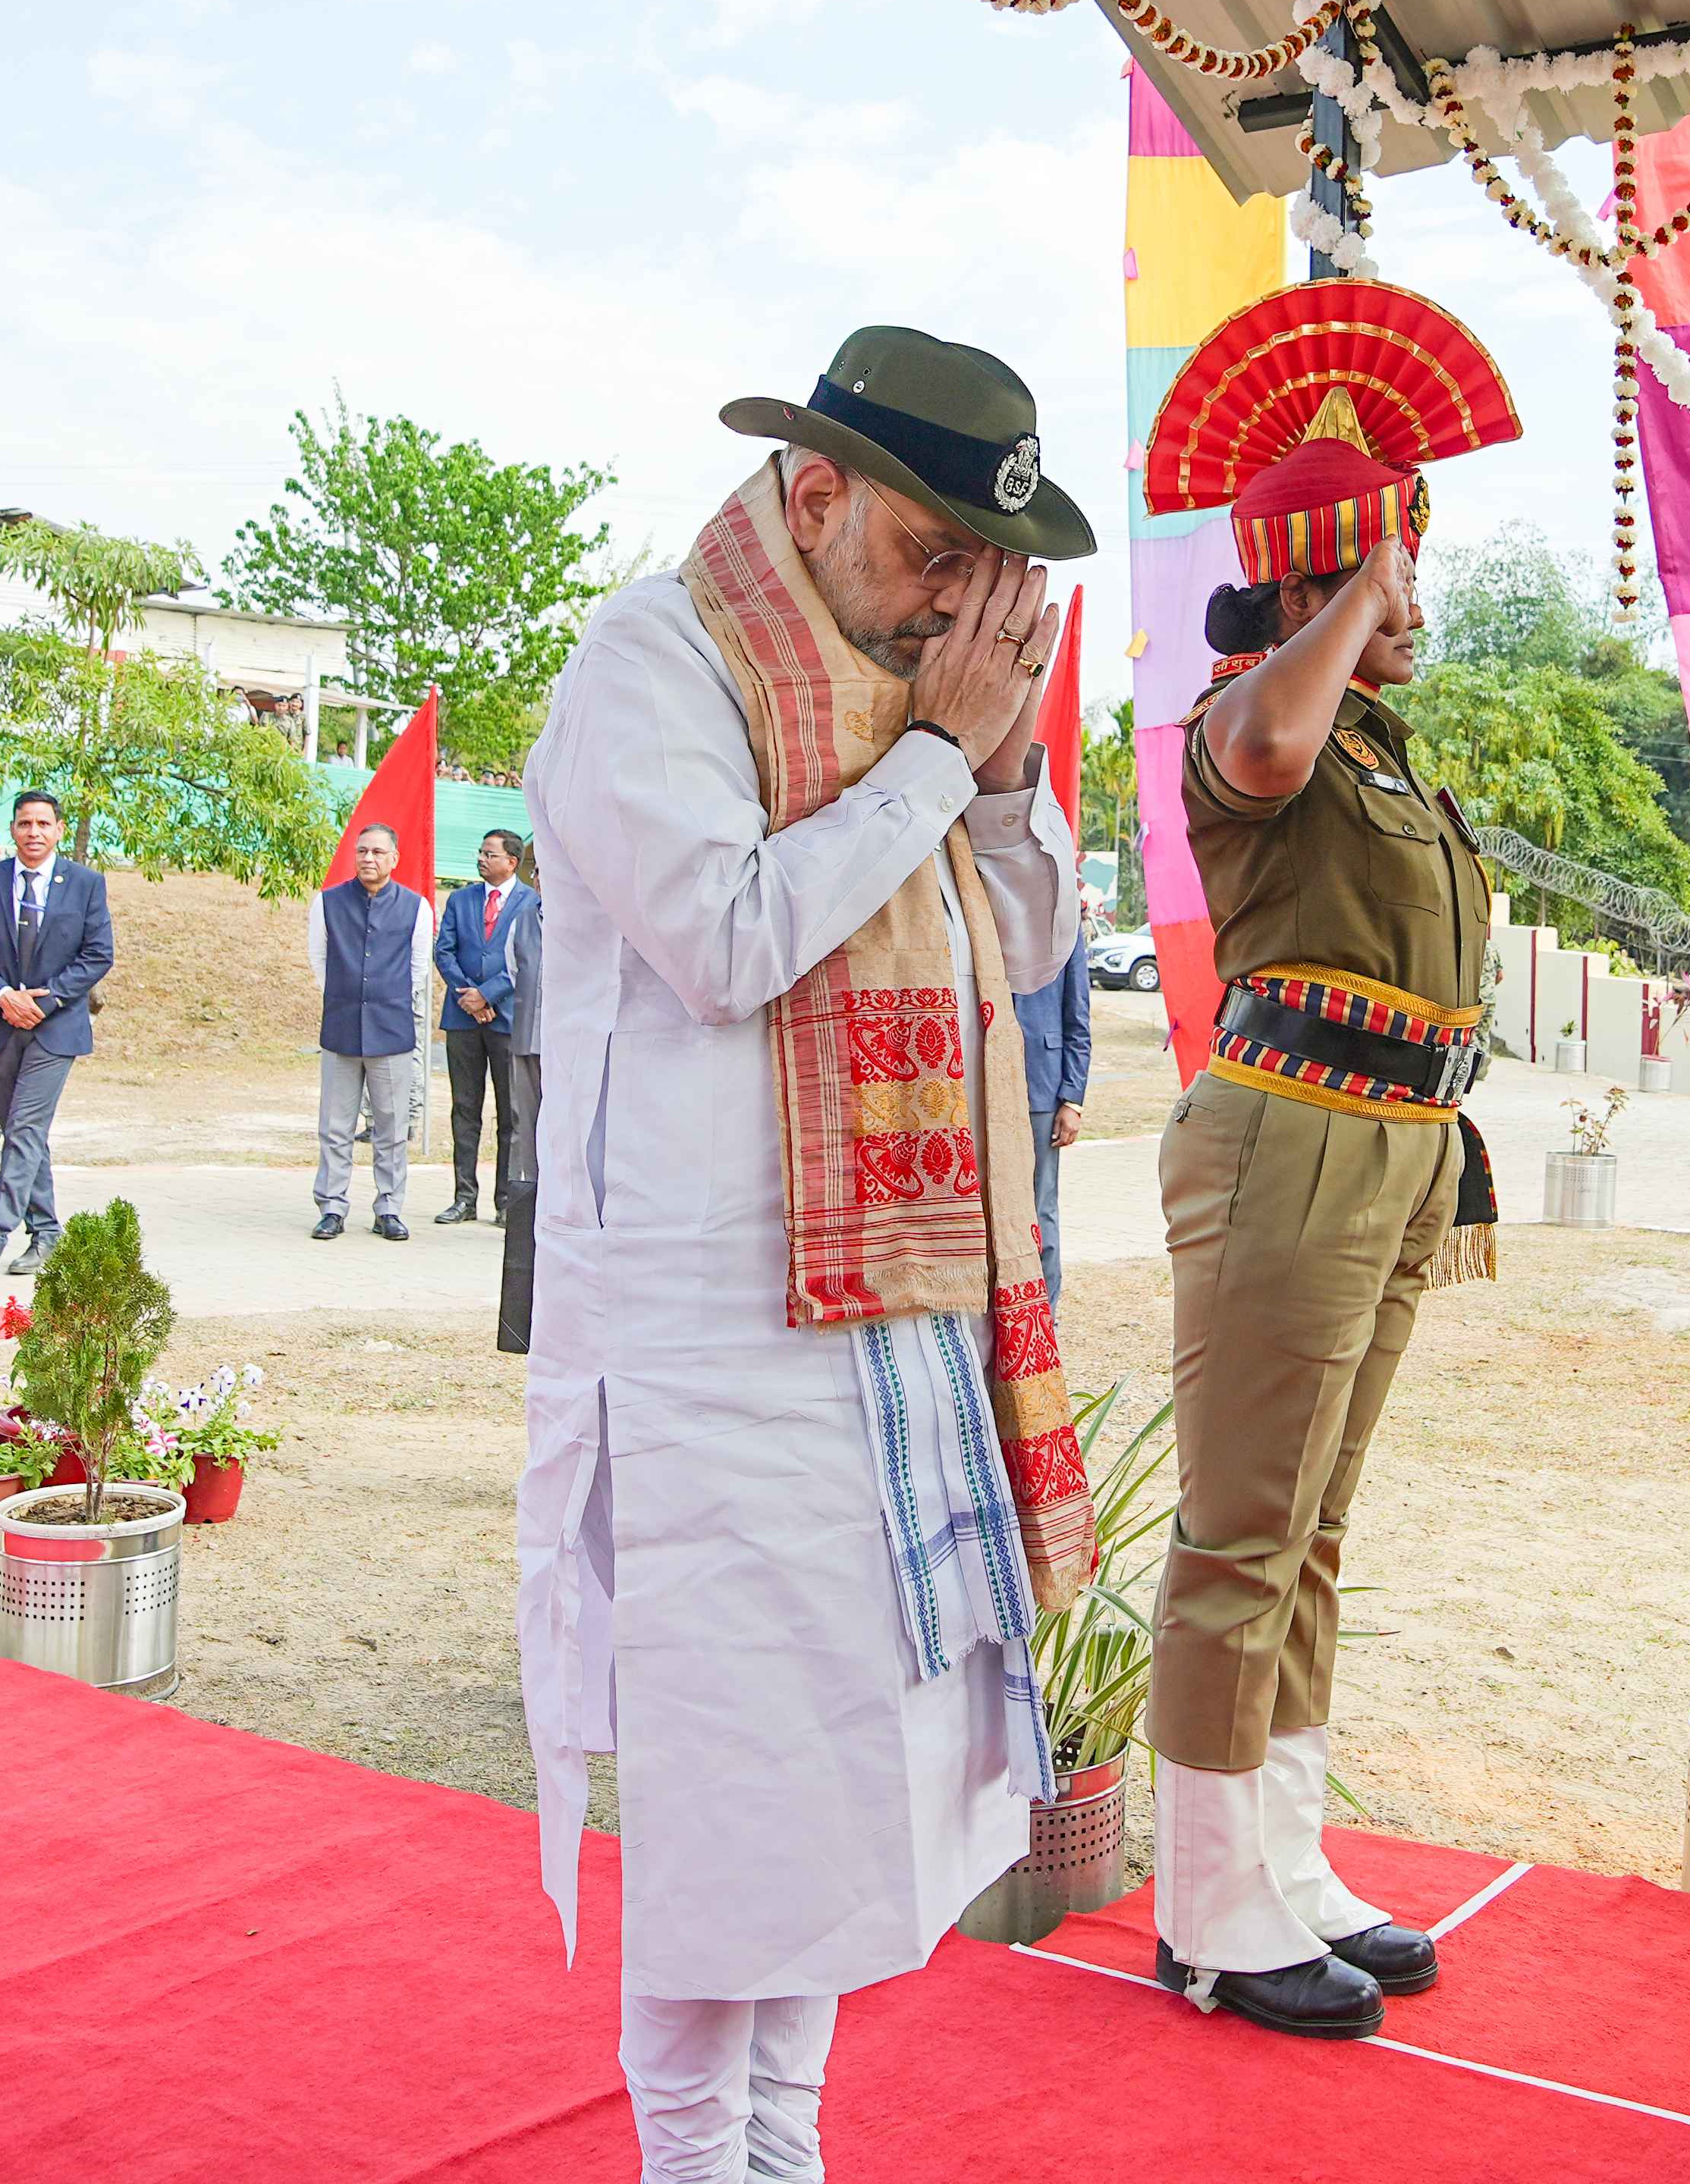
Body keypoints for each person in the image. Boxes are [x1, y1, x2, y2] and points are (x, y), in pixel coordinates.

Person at [517, 326, 1092, 2184]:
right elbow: (720, 934)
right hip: (700, 1337)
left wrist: (990, 771)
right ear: (818, 493)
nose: (959, 601)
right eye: (936, 553)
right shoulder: (653, 662)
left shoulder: (898, 695)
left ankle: (786, 2151)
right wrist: (936, 756)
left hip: (879, 1325)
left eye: (986, 575)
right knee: (728, 1809)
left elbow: (1016, 946)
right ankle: (696, 2163)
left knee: (843, 1782)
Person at [1137, 281, 1522, 2040]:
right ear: (1315, 582)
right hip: (1287, 1139)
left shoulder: (1387, 750)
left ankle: (1282, 1867)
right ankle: (1204, 1909)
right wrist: (1355, 575)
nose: (1413, 610)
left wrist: (1373, 572)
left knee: (1312, 1532)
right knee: (1239, 1533)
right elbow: (1269, 742)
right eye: (1391, 577)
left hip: (1398, 1148)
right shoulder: (1241, 720)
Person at [0, 792, 112, 1282]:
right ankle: (47, 1234)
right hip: (1, 1024)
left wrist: (46, 1000)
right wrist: (4, 995)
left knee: (21, 1130)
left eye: (44, 823)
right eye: (25, 823)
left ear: (60, 829)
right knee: (26, 1133)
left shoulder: (85, 884)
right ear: (14, 828)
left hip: (57, 1028)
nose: (34, 832)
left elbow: (98, 954)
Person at [312, 824, 429, 1243]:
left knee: (392, 1128)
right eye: (362, 851)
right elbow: (319, 961)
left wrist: (382, 1000)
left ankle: (389, 1208)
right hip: (341, 1026)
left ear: (394, 858)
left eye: (378, 852)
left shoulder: (416, 908)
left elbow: (417, 971)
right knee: (335, 1125)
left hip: (391, 1029)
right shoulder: (327, 902)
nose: (368, 859)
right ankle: (331, 1206)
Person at [432, 827, 542, 1225]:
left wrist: (489, 996)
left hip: (508, 1019)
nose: (481, 859)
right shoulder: (461, 899)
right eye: (480, 852)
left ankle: (505, 1201)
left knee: (511, 1113)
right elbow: (443, 950)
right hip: (463, 1019)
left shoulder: (532, 903)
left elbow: (528, 958)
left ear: (512, 862)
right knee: (465, 1107)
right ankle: (464, 1197)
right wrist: (468, 995)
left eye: (490, 854)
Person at [1014, 926, 1090, 1307]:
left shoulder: (1064, 927)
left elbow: (1078, 1020)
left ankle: (1047, 1312)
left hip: (1043, 1087)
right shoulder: (984, 912)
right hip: (985, 1080)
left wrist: (1072, 1100)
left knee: (1041, 1205)